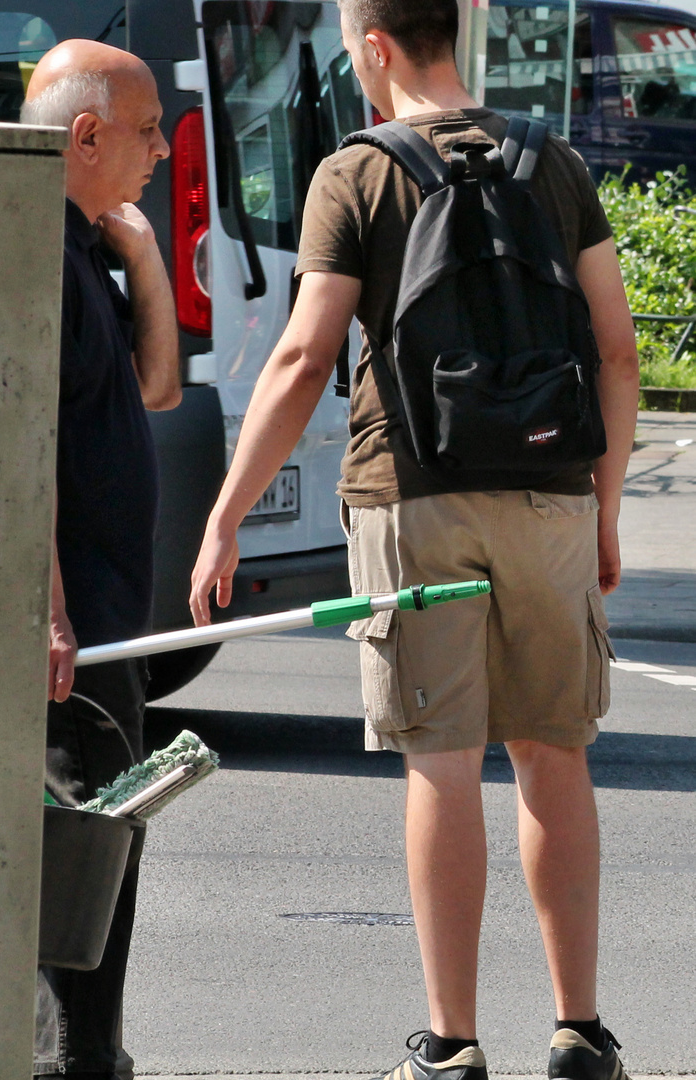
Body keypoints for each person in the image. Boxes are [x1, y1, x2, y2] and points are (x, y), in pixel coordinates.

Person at [189, 2, 640, 1078]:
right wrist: (606, 509)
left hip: (415, 497)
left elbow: (302, 360)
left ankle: (452, 1044)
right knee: (553, 754)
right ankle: (580, 1031)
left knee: (441, 761)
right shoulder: (554, 161)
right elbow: (618, 352)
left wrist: (224, 515)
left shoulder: (355, 173)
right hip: (552, 493)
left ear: (376, 45)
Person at [21, 39, 181, 1080]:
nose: (164, 150)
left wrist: (146, 257)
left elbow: (158, 386)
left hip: (110, 620)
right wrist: (47, 612)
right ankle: (67, 1061)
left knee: (110, 837)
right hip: (70, 634)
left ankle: (94, 1053)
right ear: (85, 137)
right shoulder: (28, 254)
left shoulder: (84, 249)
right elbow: (14, 449)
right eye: (149, 127)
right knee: (79, 848)